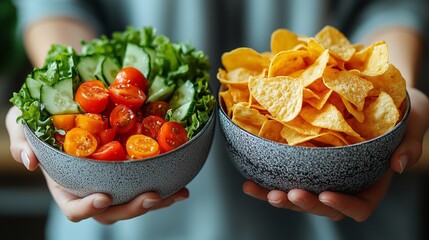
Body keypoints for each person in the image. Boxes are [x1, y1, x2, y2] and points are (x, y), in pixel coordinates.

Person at [6, 0, 429, 239]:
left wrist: (397, 94)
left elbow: (391, 7)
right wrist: (63, 104)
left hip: (340, 212)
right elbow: (57, 7)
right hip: (124, 214)